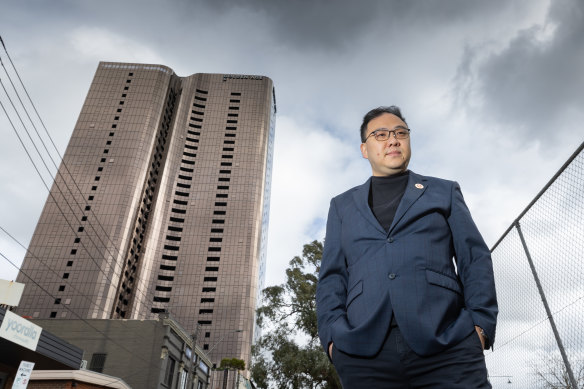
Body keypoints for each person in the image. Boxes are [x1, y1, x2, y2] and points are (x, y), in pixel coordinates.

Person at [316, 106, 498, 388]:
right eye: (381, 134)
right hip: (364, 355)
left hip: (448, 345)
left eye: (401, 133)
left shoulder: (444, 191)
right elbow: (332, 277)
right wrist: (332, 339)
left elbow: (474, 257)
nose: (393, 139)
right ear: (365, 149)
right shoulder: (341, 206)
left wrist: (480, 327)